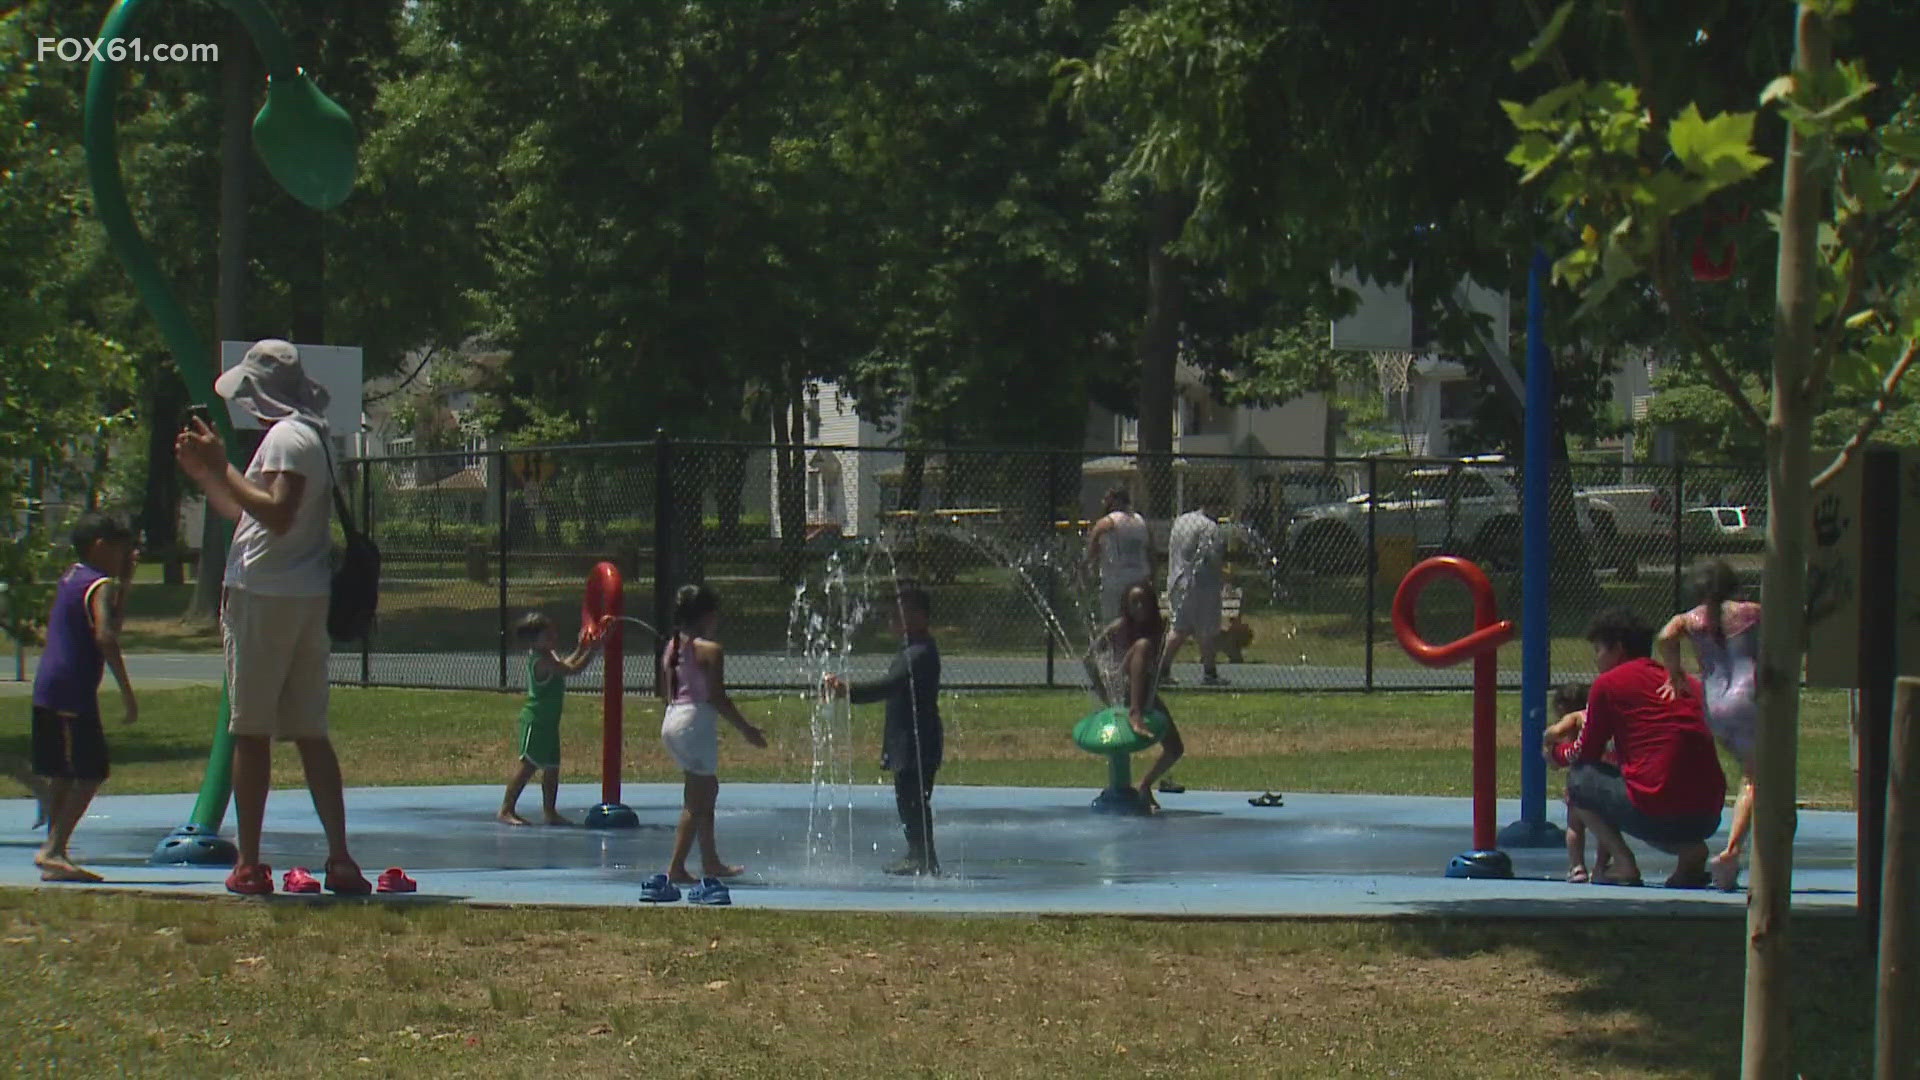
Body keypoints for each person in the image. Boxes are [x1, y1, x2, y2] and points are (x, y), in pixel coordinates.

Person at [175, 339, 372, 896]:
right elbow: (245, 510)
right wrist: (210, 475)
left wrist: (220, 465)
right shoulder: (313, 435)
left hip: (265, 594)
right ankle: (339, 857)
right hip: (305, 595)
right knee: (311, 732)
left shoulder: (285, 437)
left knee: (251, 731)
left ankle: (251, 861)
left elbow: (277, 514)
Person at [1548, 607, 1726, 888]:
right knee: (1659, 782)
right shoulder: (1687, 682)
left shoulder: (1608, 685)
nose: (1597, 660)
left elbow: (1585, 753)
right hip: (1708, 813)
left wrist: (1554, 753)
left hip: (1659, 810)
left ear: (1617, 649)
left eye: (1598, 650)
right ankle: (1689, 851)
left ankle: (1623, 862)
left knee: (1579, 779)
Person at [29, 512, 138, 882]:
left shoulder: (73, 576)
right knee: (91, 771)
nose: (126, 554)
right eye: (121, 548)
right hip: (73, 688)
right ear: (101, 547)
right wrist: (127, 692)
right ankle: (54, 848)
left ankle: (54, 853)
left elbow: (104, 619)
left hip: (47, 686)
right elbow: (107, 635)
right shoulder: (100, 582)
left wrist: (127, 581)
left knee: (62, 771)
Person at [650, 585, 767, 898]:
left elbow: (665, 691)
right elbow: (717, 697)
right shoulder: (710, 650)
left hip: (673, 718)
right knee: (697, 798)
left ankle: (710, 860)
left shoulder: (670, 647)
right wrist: (747, 729)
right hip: (695, 721)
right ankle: (675, 866)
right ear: (707, 615)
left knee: (706, 788)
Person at [824, 587, 943, 875]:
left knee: (913, 798)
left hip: (918, 739)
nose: (891, 617)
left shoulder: (920, 653)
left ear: (918, 616)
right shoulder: (911, 650)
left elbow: (889, 686)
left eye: (899, 612)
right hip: (908, 737)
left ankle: (923, 856)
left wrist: (846, 691)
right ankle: (919, 852)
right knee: (908, 797)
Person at [1657, 559, 1760, 891]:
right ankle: (1732, 851)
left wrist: (1674, 674)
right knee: (1754, 778)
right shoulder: (1750, 612)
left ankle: (1738, 850)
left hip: (1714, 703)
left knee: (1750, 775)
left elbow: (1666, 636)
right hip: (1748, 696)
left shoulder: (1690, 619)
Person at [1085, 581, 1184, 812]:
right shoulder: (1118, 627)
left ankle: (1145, 785)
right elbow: (1088, 659)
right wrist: (1105, 694)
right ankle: (1135, 713)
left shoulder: (1159, 628)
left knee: (1175, 749)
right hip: (1126, 690)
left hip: (1147, 691)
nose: (1139, 607)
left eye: (1143, 602)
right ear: (1126, 607)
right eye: (1133, 603)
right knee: (1141, 646)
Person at [498, 612, 602, 826]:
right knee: (528, 766)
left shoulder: (549, 655)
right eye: (547, 635)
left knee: (552, 768)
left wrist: (581, 648)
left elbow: (566, 663)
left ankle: (550, 811)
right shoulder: (541, 660)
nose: (553, 637)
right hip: (536, 721)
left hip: (549, 722)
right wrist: (593, 650)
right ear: (533, 641)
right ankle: (506, 809)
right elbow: (572, 670)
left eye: (553, 633)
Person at [1543, 680, 1604, 883]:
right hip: (1604, 782)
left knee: (1574, 827)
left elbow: (1555, 758)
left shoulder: (1573, 727)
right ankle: (1601, 866)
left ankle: (1577, 866)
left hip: (1579, 789)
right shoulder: (1596, 723)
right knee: (1607, 828)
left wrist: (1547, 741)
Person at [1163, 497, 1227, 686]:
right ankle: (1209, 672)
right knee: (1205, 628)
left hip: (1177, 579)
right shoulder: (1209, 526)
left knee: (1180, 627)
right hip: (1201, 584)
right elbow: (1212, 557)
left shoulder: (1181, 520)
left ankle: (1163, 670)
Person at [1085, 485, 1151, 623]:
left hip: (1115, 581)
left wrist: (1085, 565)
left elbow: (1092, 546)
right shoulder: (1141, 522)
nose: (1103, 502)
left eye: (1106, 499)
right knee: (1135, 622)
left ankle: (1112, 644)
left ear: (1115, 501)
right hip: (1139, 578)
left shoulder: (1107, 522)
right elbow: (1151, 552)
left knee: (1113, 622)